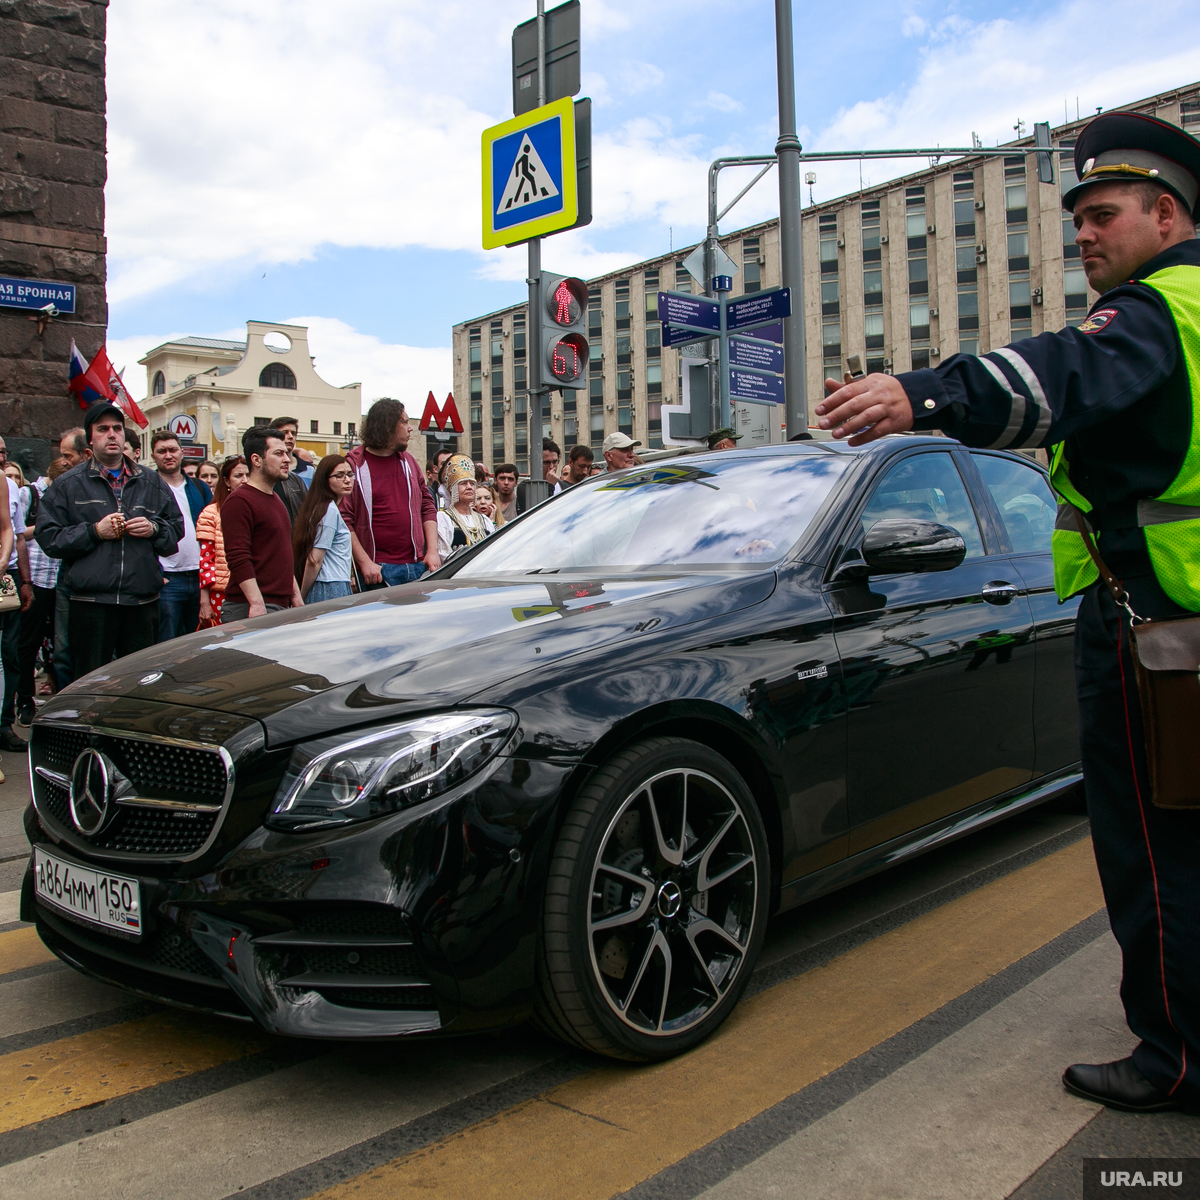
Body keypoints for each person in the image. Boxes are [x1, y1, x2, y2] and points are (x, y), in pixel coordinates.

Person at [816, 111, 1200, 1114]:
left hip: (1157, 633)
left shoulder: (1159, 312)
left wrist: (922, 397)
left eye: (1104, 213)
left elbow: (1057, 379)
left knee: (1160, 850)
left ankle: (1179, 1059)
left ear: (1168, 214)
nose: (1083, 232)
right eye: (1077, 216)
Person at [35, 402, 182, 679]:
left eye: (117, 428)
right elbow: (49, 537)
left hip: (141, 602)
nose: (112, 434)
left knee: (139, 682)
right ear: (90, 439)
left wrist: (153, 528)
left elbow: (175, 530)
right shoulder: (68, 484)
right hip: (91, 603)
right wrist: (94, 532)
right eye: (103, 429)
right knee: (91, 682)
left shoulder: (151, 482)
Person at [340, 398, 440, 588]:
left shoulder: (409, 462)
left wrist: (432, 551)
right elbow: (344, 520)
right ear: (386, 426)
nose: (410, 428)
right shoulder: (354, 465)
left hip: (417, 566)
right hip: (377, 571)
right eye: (404, 422)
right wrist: (365, 563)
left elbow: (427, 506)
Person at [220, 426, 302, 622]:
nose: (287, 459)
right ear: (256, 460)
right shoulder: (239, 501)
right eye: (278, 453)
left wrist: (296, 596)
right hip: (250, 608)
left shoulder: (276, 500)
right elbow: (238, 557)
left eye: (286, 453)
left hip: (279, 605)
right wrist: (256, 604)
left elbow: (281, 553)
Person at [14, 458, 63, 733]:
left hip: (62, 578)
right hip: (37, 576)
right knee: (29, 642)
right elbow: (17, 532)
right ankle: (25, 700)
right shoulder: (29, 494)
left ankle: (58, 693)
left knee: (60, 643)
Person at [150, 431, 213, 642]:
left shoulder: (199, 487)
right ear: (153, 455)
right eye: (162, 451)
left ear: (181, 452)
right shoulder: (146, 488)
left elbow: (213, 530)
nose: (168, 455)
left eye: (173, 450)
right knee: (166, 643)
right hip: (167, 578)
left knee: (198, 642)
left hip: (198, 576)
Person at [293, 455, 357, 602]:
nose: (347, 480)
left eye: (350, 474)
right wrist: (301, 596)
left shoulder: (321, 507)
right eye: (339, 476)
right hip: (330, 586)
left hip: (332, 583)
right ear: (325, 480)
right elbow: (314, 560)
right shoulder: (329, 509)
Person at [196, 456, 248, 627]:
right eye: (238, 475)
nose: (244, 480)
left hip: (252, 589)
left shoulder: (253, 508)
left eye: (248, 475)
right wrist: (204, 601)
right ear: (226, 480)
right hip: (221, 592)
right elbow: (206, 561)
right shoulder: (210, 513)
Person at [436, 455, 494, 561]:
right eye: (463, 483)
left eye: (472, 483)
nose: (469, 487)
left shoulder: (484, 520)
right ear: (452, 488)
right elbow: (444, 555)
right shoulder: (444, 518)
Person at [268, 416, 309, 520]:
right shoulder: (267, 471)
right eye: (284, 432)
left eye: (293, 433)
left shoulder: (309, 470)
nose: (290, 436)